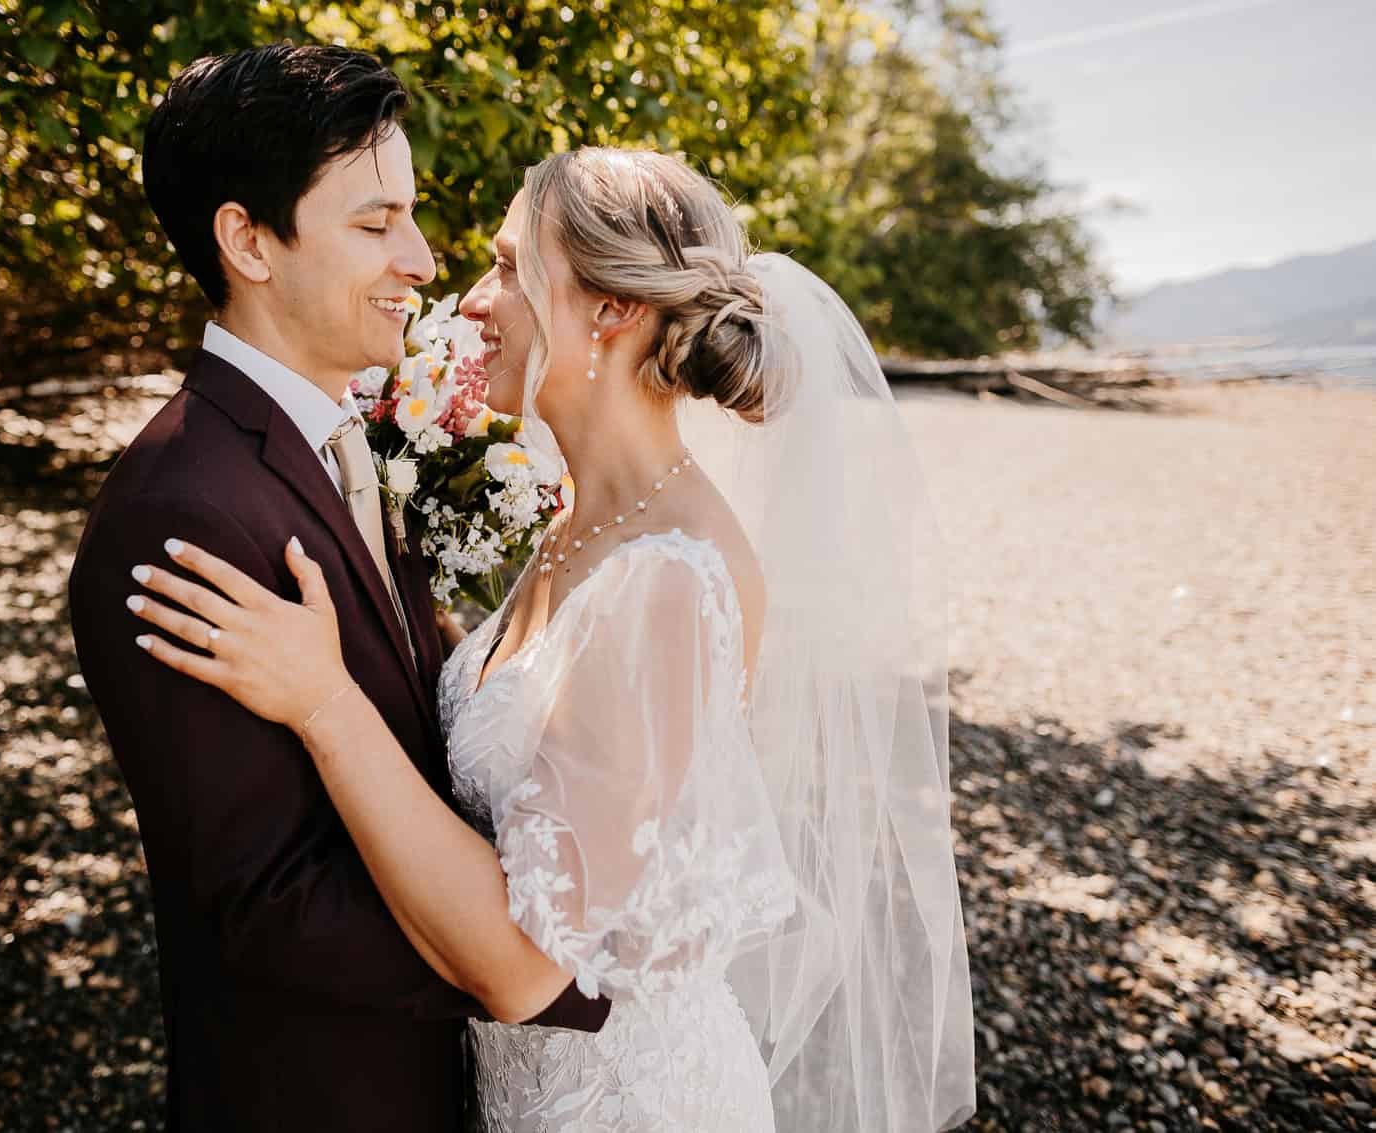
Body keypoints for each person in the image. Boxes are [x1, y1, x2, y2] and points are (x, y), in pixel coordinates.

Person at [127, 146, 978, 1131]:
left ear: (612, 310)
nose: (474, 302)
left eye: (506, 268)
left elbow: (524, 964)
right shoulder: (586, 516)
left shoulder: (666, 577)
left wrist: (323, 701)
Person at [66, 46, 609, 1133]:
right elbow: (269, 898)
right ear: (247, 240)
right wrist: (534, 968)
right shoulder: (182, 510)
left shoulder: (345, 433)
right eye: (374, 224)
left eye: (410, 217)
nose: (419, 257)